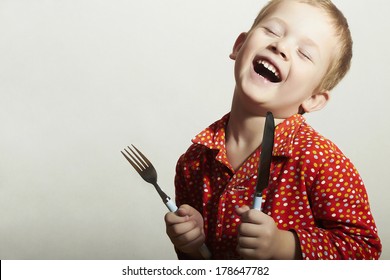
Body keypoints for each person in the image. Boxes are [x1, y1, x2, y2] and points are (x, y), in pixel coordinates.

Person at [164, 0, 382, 260]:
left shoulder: (323, 162)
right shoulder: (194, 161)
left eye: (304, 53)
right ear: (239, 46)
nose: (281, 46)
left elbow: (364, 250)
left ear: (313, 99)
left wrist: (285, 245)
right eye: (273, 31)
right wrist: (191, 244)